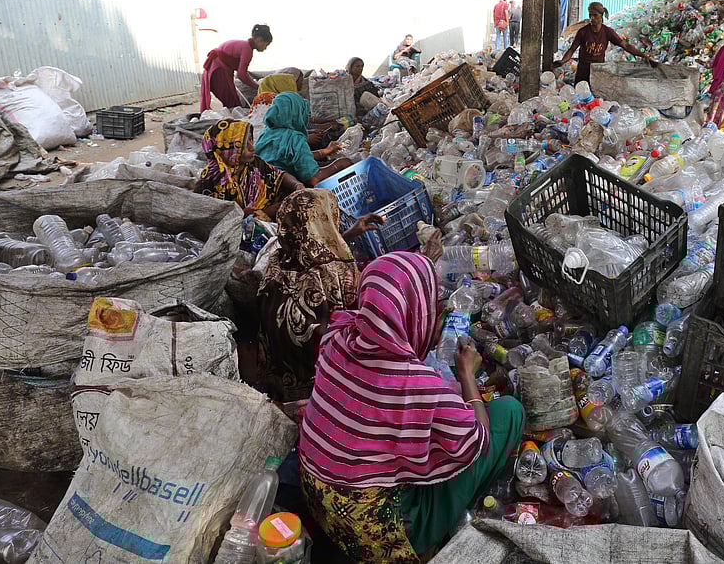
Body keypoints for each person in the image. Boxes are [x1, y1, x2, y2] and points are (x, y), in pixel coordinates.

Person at [299, 252, 524, 563]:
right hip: (381, 533)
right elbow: (477, 441)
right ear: (413, 314)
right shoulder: (416, 384)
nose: (439, 319)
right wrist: (467, 376)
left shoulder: (337, 338)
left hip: (322, 505)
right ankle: (444, 524)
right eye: (434, 310)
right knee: (509, 412)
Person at [257, 189, 382, 402]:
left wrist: (348, 235)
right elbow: (370, 314)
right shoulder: (339, 273)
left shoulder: (276, 262)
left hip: (279, 381)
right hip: (322, 388)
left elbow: (310, 249)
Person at [196, 119, 302, 220]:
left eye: (251, 140)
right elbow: (220, 223)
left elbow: (279, 175)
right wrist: (265, 212)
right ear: (227, 149)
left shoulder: (254, 164)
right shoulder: (211, 182)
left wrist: (297, 185)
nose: (252, 148)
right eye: (244, 145)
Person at [256, 91, 352, 186]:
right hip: (286, 190)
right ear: (297, 113)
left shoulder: (266, 133)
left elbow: (292, 157)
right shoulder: (294, 138)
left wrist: (327, 151)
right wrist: (339, 164)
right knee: (346, 163)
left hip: (264, 186)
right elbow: (314, 179)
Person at [555, 1, 658, 84]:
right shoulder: (583, 32)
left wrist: (645, 56)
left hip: (597, 72)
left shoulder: (607, 32)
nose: (592, 18)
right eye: (590, 15)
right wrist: (562, 61)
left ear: (601, 15)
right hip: (583, 72)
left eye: (595, 15)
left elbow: (625, 45)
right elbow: (572, 49)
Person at [201, 24, 272, 112]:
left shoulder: (244, 45)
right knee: (233, 104)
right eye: (266, 45)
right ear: (259, 40)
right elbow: (241, 75)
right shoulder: (247, 49)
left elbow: (242, 72)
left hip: (218, 69)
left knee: (233, 102)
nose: (265, 48)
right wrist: (257, 87)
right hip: (218, 71)